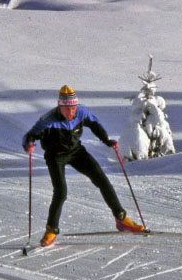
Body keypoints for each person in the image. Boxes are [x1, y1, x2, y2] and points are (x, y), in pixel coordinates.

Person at [22, 85, 146, 247]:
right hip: (55, 157)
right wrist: (29, 144)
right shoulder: (48, 119)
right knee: (61, 192)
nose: (71, 112)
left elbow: (95, 125)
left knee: (102, 181)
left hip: (76, 152)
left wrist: (107, 141)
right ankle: (51, 230)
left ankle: (121, 219)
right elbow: (30, 135)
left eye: (73, 108)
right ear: (60, 107)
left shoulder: (82, 112)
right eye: (67, 109)